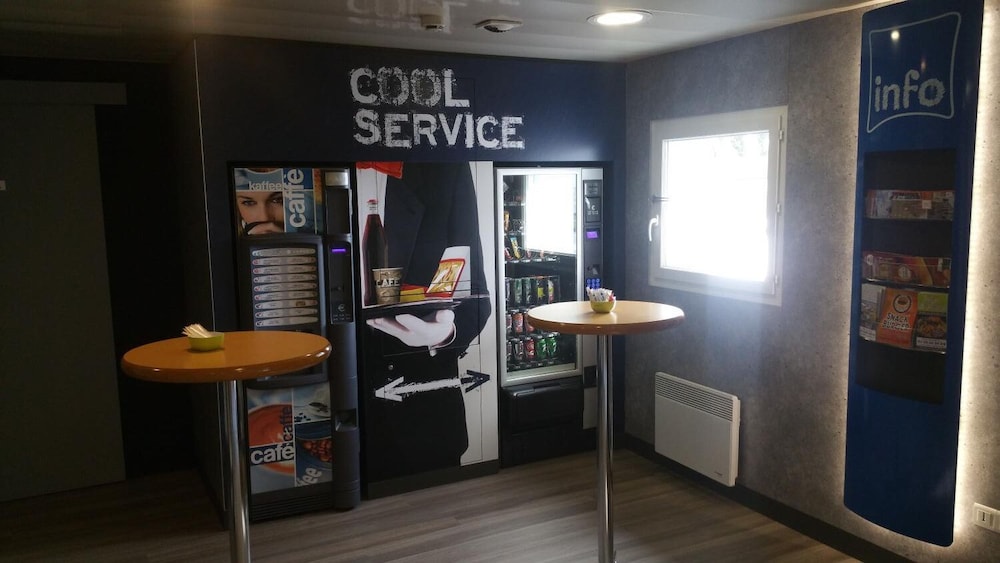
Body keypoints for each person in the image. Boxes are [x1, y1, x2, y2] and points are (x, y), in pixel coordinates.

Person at [359, 161, 492, 482]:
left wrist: (444, 333)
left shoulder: (445, 168)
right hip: (328, 403)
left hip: (424, 417)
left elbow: (477, 299)